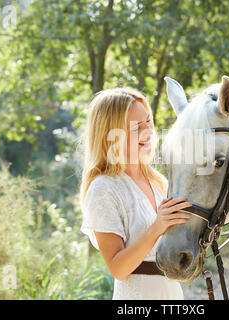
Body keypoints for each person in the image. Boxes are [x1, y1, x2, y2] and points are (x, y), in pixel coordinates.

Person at [79, 87, 192, 299]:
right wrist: (157, 227)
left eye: (148, 121)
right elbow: (118, 269)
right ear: (110, 136)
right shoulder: (103, 189)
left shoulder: (159, 182)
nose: (148, 131)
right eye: (136, 127)